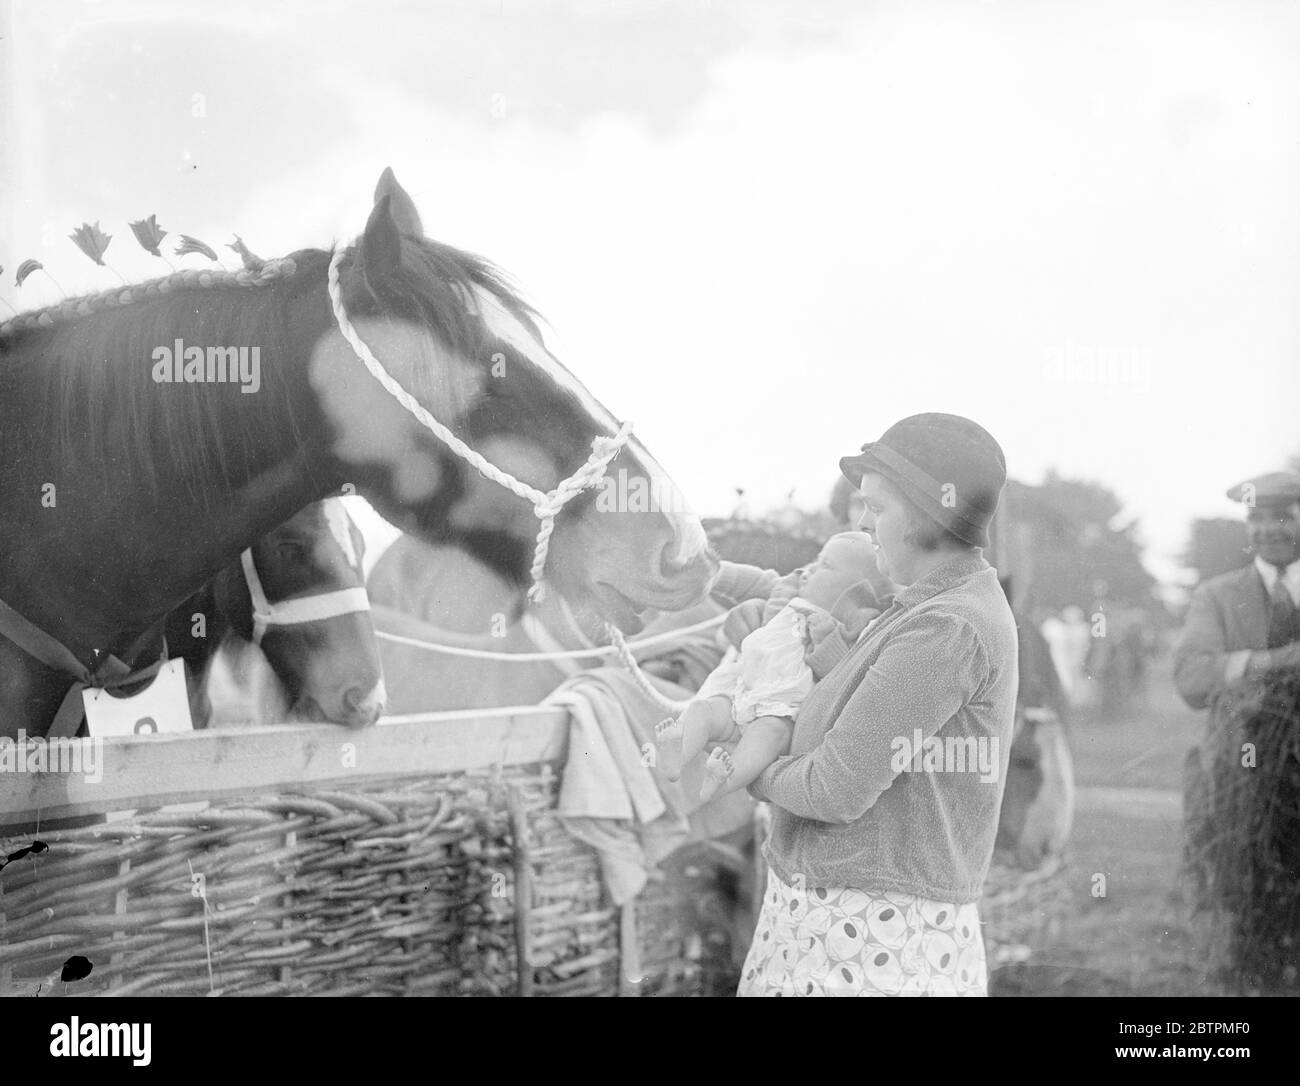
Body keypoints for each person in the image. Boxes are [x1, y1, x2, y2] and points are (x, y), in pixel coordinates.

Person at [735, 413, 1018, 996]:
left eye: (878, 509)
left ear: (926, 513)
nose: (865, 526)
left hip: (875, 937)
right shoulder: (929, 608)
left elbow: (835, 789)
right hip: (850, 924)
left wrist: (750, 768)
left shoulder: (946, 626)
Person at [654, 533, 883, 802]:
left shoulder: (853, 625)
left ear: (856, 591)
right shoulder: (789, 592)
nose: (809, 571)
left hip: (781, 710)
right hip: (740, 691)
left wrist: (826, 639)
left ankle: (722, 782)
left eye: (826, 566)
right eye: (815, 561)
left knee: (768, 736)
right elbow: (752, 581)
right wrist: (703, 571)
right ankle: (675, 756)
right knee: (702, 710)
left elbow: (842, 676)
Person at [1174, 471, 1300, 710]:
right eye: (1256, 518)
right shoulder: (1215, 596)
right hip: (1245, 744)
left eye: (1283, 517)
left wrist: (1241, 665)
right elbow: (1191, 679)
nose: (1268, 529)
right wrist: (1284, 659)